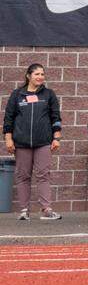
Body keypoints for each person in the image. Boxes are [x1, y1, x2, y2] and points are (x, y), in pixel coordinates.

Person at [3, 64, 63, 220]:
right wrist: (8, 139)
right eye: (37, 74)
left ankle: (46, 210)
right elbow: (8, 119)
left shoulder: (49, 95)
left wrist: (56, 138)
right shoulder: (17, 95)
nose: (40, 77)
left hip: (43, 142)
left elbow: (56, 118)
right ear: (28, 75)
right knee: (23, 176)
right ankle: (24, 211)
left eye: (42, 74)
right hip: (21, 143)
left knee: (43, 175)